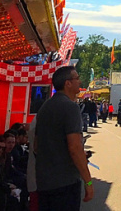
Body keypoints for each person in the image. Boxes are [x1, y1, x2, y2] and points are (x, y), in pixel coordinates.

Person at [35, 66, 93, 210]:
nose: (80, 82)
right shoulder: (70, 107)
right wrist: (88, 181)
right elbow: (74, 148)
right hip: (65, 182)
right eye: (77, 78)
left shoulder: (45, 106)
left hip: (44, 181)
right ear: (67, 83)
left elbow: (36, 145)